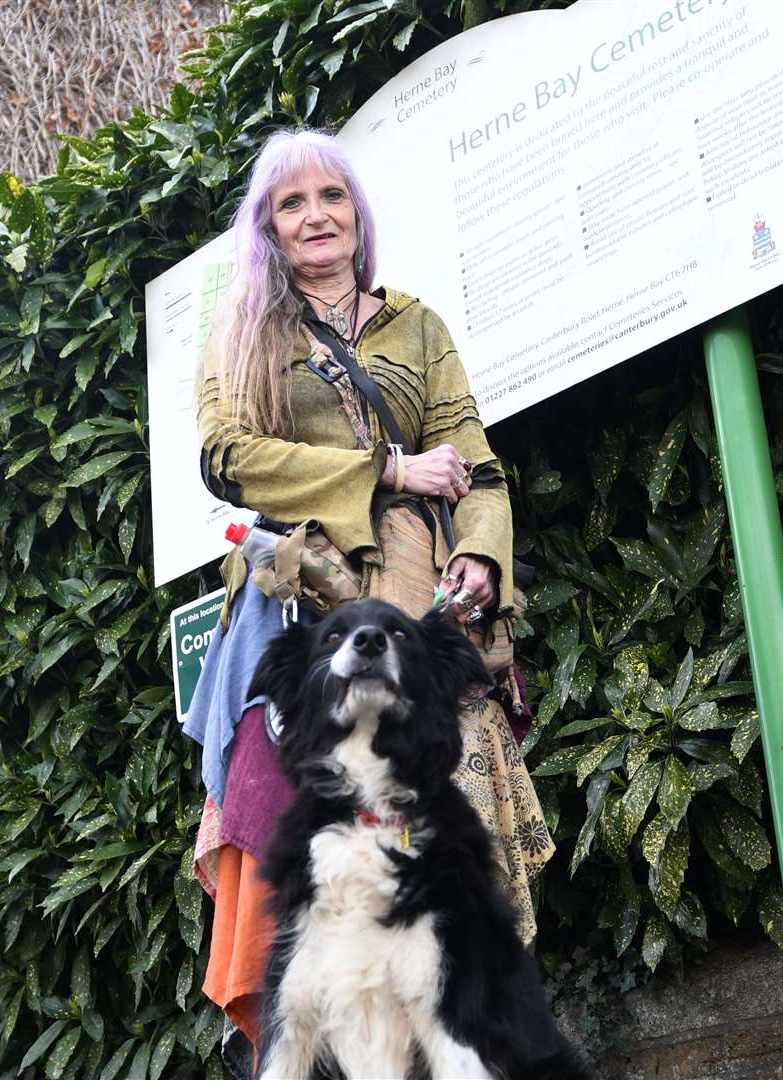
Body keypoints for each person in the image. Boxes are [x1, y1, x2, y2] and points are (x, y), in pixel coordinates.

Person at [183, 128, 555, 1056]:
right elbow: (226, 458)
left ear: (358, 214)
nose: (316, 216)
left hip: (426, 621)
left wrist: (483, 559)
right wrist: (386, 468)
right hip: (312, 622)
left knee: (453, 893)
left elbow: (476, 458)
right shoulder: (247, 332)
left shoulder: (416, 324)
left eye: (332, 197)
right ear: (269, 228)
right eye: (292, 203)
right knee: (313, 905)